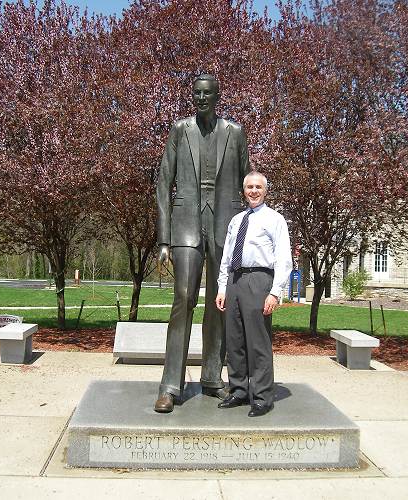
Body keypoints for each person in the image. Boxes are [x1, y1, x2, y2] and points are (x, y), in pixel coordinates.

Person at [154, 74, 250, 413]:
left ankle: (212, 376)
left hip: (225, 223)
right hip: (185, 226)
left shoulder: (234, 133)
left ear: (218, 95)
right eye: (196, 93)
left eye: (207, 93)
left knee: (218, 302)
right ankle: (170, 385)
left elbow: (248, 183)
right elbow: (164, 181)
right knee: (183, 298)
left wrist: (249, 233)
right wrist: (163, 238)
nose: (201, 98)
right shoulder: (181, 129)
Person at [215, 172, 291, 417]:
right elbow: (227, 257)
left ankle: (261, 397)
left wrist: (275, 292)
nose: (254, 191)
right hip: (235, 281)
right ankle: (238, 390)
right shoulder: (237, 220)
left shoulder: (275, 219)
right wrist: (222, 287)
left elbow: (284, 259)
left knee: (258, 342)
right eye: (249, 187)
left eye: (258, 187)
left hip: (259, 280)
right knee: (234, 340)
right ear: (244, 190)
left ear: (265, 190)